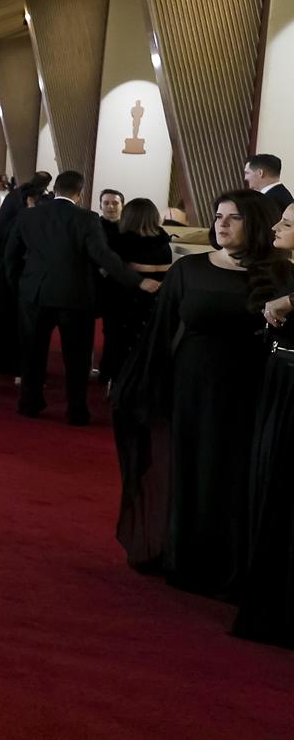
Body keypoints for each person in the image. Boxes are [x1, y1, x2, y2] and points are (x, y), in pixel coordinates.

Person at [134, 191, 280, 598]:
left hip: (252, 390)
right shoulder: (190, 270)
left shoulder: (280, 274)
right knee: (192, 468)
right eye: (218, 217)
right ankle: (188, 557)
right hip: (193, 386)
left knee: (237, 475)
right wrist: (145, 387)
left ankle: (234, 563)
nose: (222, 224)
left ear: (256, 223)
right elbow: (160, 333)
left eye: (234, 218)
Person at [5, 170, 157, 425]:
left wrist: (21, 286)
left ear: (55, 189)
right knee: (76, 357)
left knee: (32, 353)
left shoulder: (28, 215)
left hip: (35, 294)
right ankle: (76, 410)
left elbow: (11, 257)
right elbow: (103, 256)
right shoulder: (87, 218)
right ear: (80, 192)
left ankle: (29, 403)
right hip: (75, 296)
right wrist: (138, 281)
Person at [233, 200, 294, 646]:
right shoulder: (273, 268)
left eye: (287, 223)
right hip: (281, 380)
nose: (276, 226)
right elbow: (261, 307)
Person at [100, 197, 173, 385]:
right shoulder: (164, 242)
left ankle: (113, 378)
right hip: (155, 299)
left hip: (124, 299)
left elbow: (112, 272)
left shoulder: (121, 242)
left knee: (117, 340)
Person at [0, 172, 50, 375]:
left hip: (5, 257)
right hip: (16, 260)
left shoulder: (16, 194)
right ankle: (12, 361)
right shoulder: (33, 200)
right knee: (17, 315)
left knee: (4, 311)